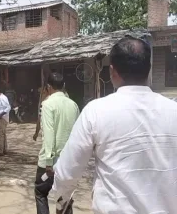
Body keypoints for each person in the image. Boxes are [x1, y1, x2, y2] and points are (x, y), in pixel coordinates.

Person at [52, 36, 177, 214]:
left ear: (112, 71)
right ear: (148, 70)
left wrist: (61, 201)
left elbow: (67, 172)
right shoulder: (174, 110)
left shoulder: (96, 111)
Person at [35, 72, 79, 214]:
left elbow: (48, 133)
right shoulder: (73, 105)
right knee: (64, 199)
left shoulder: (47, 104)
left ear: (48, 87)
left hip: (50, 163)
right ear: (64, 86)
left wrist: (48, 160)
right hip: (68, 163)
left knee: (41, 193)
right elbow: (77, 134)